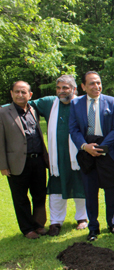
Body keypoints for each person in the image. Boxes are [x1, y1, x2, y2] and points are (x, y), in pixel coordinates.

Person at [28, 75, 88, 236]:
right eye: (58, 88)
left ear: (74, 89)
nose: (61, 91)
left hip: (78, 155)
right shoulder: (49, 103)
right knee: (55, 188)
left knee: (80, 185)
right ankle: (56, 222)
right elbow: (24, 102)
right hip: (57, 157)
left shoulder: (82, 103)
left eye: (65, 88)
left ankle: (82, 218)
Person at [69, 71, 114, 241]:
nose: (96, 86)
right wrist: (85, 147)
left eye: (98, 82)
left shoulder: (113, 102)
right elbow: (74, 129)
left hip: (107, 149)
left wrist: (102, 147)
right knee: (90, 190)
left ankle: (112, 223)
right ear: (83, 86)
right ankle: (93, 227)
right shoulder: (75, 103)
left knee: (110, 190)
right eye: (91, 83)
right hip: (87, 152)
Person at [0, 81, 48, 239]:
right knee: (21, 198)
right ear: (11, 93)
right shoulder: (3, 112)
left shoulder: (33, 110)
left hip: (38, 160)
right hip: (17, 163)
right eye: (17, 92)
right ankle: (27, 229)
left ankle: (39, 225)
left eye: (23, 92)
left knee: (40, 195)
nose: (20, 95)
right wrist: (3, 165)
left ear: (30, 95)